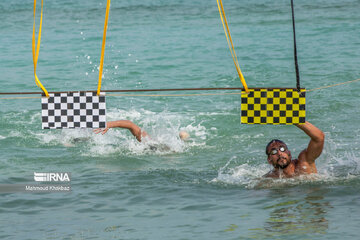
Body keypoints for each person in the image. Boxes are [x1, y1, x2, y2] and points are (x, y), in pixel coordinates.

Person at [93, 120, 189, 142]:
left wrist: (109, 125)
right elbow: (130, 125)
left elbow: (130, 125)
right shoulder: (149, 142)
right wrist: (109, 125)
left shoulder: (148, 143)